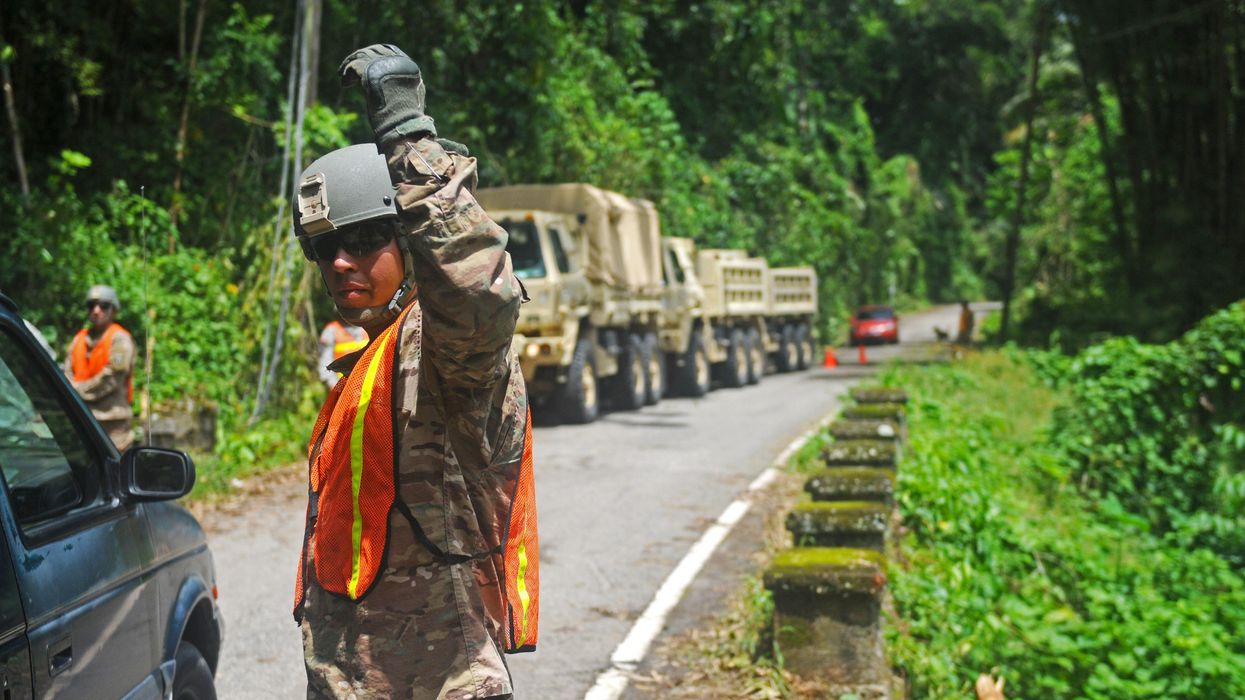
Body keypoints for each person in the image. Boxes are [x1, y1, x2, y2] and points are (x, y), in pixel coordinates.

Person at [293, 44, 538, 700]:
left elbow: (479, 292)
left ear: (409, 242)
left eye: (366, 239)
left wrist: (409, 140)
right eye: (323, 247)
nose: (341, 262)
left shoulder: (440, 352)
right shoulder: (360, 362)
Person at [66, 285, 135, 451]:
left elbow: (112, 378)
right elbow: (66, 372)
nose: (96, 311)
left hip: (111, 423)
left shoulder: (120, 339)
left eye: (103, 306)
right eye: (91, 305)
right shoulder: (79, 339)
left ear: (114, 310)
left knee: (115, 470)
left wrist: (76, 392)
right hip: (80, 419)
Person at [316, 319, 367, 389]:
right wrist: (336, 388)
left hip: (367, 384)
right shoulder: (332, 330)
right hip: (342, 384)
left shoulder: (369, 327)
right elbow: (325, 361)